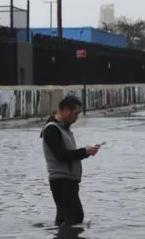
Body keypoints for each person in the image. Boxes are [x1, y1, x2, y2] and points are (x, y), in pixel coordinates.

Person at [40, 95, 100, 226]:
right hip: (61, 182)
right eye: (76, 113)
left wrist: (86, 153)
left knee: (63, 220)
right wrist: (84, 151)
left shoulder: (63, 128)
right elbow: (61, 155)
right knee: (76, 216)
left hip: (69, 182)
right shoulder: (51, 129)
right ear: (66, 110)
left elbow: (69, 154)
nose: (77, 118)